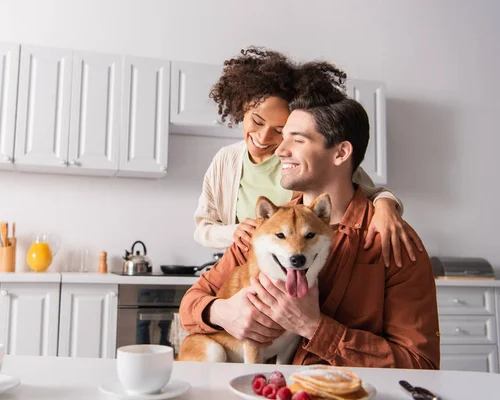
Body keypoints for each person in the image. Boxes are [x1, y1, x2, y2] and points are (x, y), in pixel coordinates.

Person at [180, 61, 440, 368]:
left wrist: (313, 327)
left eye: (296, 139)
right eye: (282, 135)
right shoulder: (264, 231)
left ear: (341, 153)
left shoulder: (392, 239)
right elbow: (190, 307)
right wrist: (223, 313)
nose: (278, 149)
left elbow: (420, 365)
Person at [193, 47, 423, 269]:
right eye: (257, 121)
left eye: (280, 130)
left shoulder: (300, 162)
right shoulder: (226, 160)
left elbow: (365, 189)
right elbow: (202, 226)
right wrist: (232, 232)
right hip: (245, 268)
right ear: (242, 107)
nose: (263, 137)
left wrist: (386, 207)